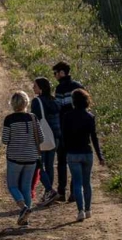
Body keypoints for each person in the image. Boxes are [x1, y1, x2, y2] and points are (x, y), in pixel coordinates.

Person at [60, 88, 106, 222]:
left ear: (73, 101)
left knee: (77, 183)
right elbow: (94, 138)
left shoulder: (67, 116)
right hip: (87, 153)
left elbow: (64, 138)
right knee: (87, 183)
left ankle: (80, 211)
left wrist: (65, 152)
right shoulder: (90, 117)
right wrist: (100, 156)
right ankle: (88, 209)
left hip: (73, 153)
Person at [1, 91, 40, 226]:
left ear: (12, 104)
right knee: (26, 187)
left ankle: (23, 208)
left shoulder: (9, 119)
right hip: (31, 157)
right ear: (26, 103)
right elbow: (41, 138)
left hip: (14, 158)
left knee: (12, 186)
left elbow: (5, 140)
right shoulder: (33, 118)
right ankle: (25, 219)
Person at [51, 61, 86, 201]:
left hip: (64, 129)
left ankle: (61, 191)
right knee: (75, 162)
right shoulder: (78, 86)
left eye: (55, 73)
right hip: (78, 129)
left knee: (61, 162)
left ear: (61, 73)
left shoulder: (60, 88)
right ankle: (74, 191)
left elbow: (59, 108)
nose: (55, 76)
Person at [31, 77, 61, 207]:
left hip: (42, 137)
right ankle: (48, 195)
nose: (33, 88)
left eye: (35, 86)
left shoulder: (37, 101)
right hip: (55, 137)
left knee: (38, 166)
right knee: (49, 165)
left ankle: (49, 190)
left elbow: (34, 121)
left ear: (41, 89)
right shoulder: (54, 101)